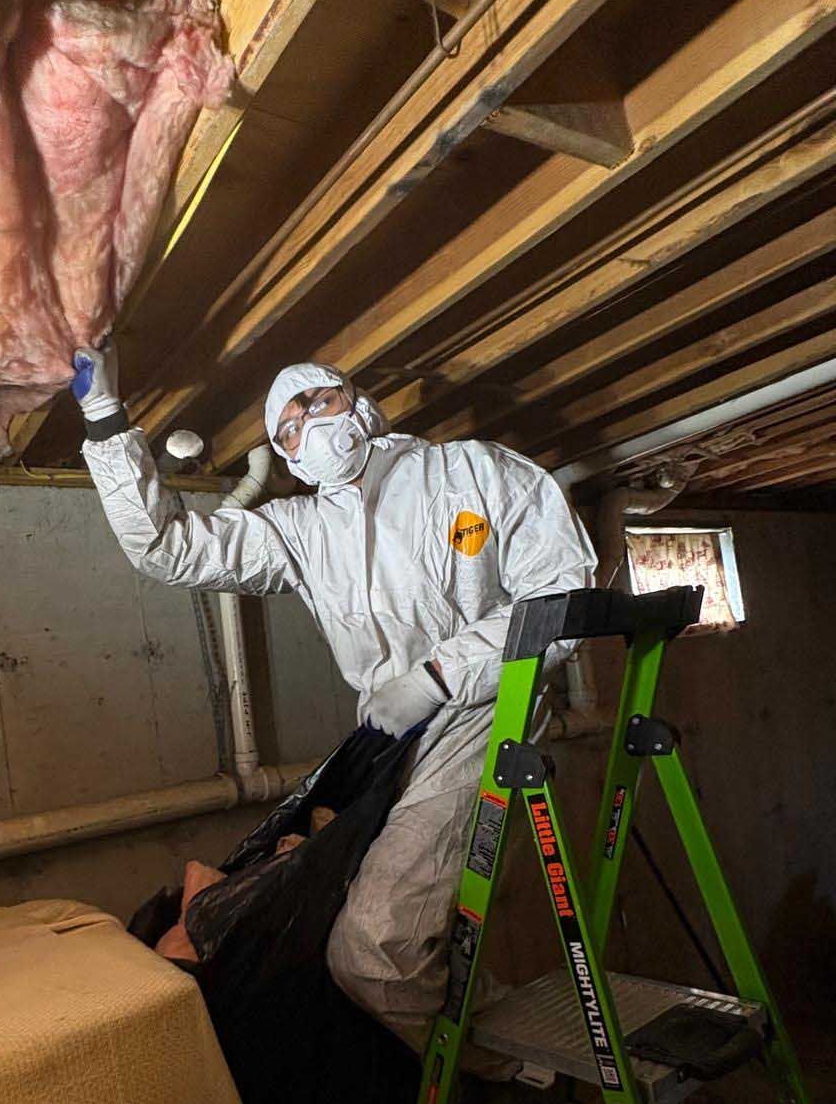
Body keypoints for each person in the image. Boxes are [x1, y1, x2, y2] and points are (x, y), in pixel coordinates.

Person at [72, 346, 597, 1064]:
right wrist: (105, 421)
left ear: (359, 404)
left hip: (485, 713)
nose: (307, 428)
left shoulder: (471, 472)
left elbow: (562, 593)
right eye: (286, 429)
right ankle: (471, 1065)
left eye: (316, 403)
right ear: (288, 458)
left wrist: (441, 674)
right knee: (357, 924)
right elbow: (168, 548)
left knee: (375, 950)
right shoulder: (300, 530)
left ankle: (494, 1079)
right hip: (387, 737)